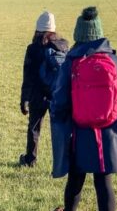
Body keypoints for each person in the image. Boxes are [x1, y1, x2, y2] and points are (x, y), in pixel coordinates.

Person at [50, 6, 117, 211]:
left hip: (78, 133)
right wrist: (113, 112)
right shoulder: (116, 62)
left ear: (78, 34)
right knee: (104, 182)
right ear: (99, 32)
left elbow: (60, 101)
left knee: (75, 180)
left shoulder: (71, 63)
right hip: (109, 133)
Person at [19, 11, 69, 167]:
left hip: (37, 95)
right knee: (60, 129)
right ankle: (63, 160)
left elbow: (28, 76)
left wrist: (24, 99)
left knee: (34, 128)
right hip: (58, 94)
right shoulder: (63, 46)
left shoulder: (33, 48)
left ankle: (30, 159)